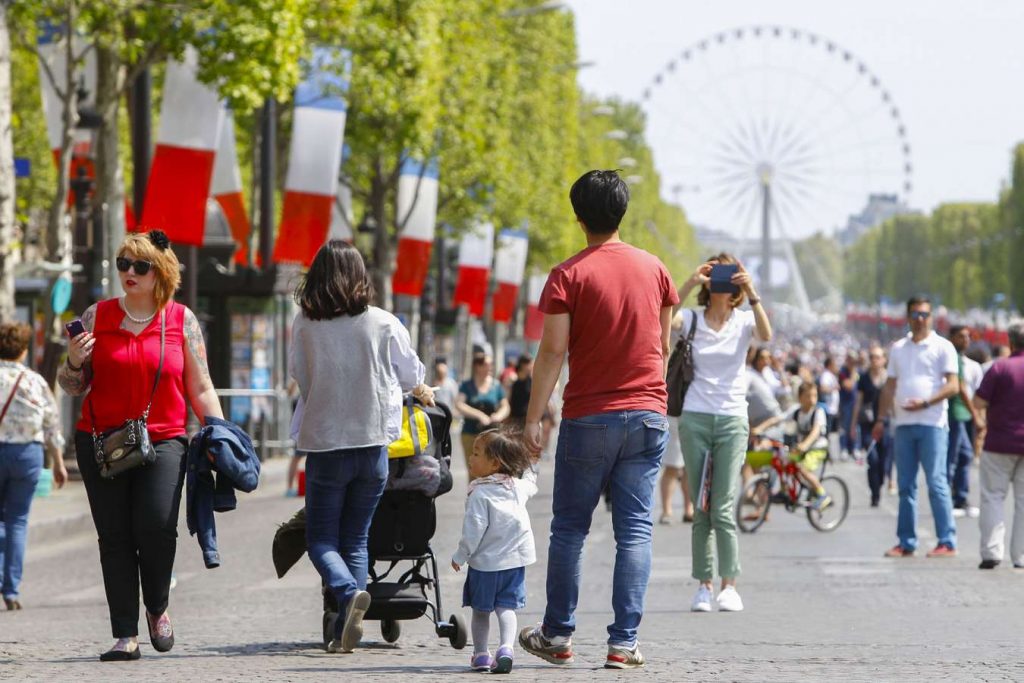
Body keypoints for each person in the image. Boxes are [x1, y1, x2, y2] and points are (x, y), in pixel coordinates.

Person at [518, 170, 678, 670]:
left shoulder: (568, 275)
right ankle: (623, 643)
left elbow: (552, 352)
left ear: (578, 216)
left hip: (589, 415)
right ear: (623, 211)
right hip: (648, 414)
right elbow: (664, 345)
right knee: (636, 530)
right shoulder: (656, 270)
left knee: (569, 528)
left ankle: (558, 634)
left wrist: (533, 419)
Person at [58, 230, 223, 661]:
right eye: (123, 264)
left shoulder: (180, 321)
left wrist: (219, 432)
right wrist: (75, 358)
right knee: (114, 537)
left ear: (160, 272)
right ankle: (124, 634)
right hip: (100, 440)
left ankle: (157, 606)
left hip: (164, 439)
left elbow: (200, 385)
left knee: (155, 528)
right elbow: (72, 384)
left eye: (139, 266)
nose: (129, 273)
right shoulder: (97, 316)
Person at [288, 240, 435, 654]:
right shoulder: (384, 323)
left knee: (320, 539)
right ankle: (345, 626)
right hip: (373, 445)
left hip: (325, 444)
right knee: (356, 538)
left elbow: (298, 373)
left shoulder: (305, 323)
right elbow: (412, 375)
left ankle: (346, 595)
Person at [674, 253, 771, 615]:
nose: (721, 280)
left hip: (732, 418)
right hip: (696, 416)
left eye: (727, 274)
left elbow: (767, 335)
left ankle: (730, 584)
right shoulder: (693, 319)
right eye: (716, 273)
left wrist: (752, 290)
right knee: (701, 507)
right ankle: (703, 584)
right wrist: (689, 281)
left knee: (724, 507)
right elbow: (663, 320)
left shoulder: (745, 320)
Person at [873, 296, 960, 558]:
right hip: (903, 424)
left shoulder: (943, 347)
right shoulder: (899, 348)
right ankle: (906, 541)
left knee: (936, 482)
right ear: (908, 317)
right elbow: (890, 386)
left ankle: (947, 540)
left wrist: (925, 402)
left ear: (931, 317)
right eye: (916, 315)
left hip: (932, 422)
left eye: (925, 315)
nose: (920, 320)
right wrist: (880, 418)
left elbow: (953, 386)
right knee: (905, 485)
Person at [451, 429, 538, 674]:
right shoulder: (516, 487)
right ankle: (506, 649)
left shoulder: (480, 493)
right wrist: (532, 462)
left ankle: (480, 655)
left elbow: (473, 531)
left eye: (477, 453)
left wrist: (461, 556)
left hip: (485, 566)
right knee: (506, 608)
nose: (470, 457)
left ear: (494, 463)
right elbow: (532, 483)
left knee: (481, 611)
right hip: (514, 564)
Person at [0, 322, 67, 610]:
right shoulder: (35, 381)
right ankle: (11, 590)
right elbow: (51, 424)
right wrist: (59, 463)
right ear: (24, 350)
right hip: (28, 454)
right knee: (17, 521)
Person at [973, 323, 1024, 569]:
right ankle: (1021, 555)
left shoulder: (999, 367)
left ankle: (992, 552)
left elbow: (979, 401)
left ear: (1010, 343)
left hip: (999, 442)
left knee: (993, 496)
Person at [947, 325, 983, 518]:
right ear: (952, 337)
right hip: (954, 413)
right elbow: (960, 388)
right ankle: (951, 498)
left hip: (962, 414)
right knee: (953, 457)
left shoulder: (963, 360)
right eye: (961, 336)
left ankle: (959, 498)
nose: (966, 340)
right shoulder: (951, 356)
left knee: (964, 455)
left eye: (968, 336)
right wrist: (975, 414)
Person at [456, 354, 510, 479]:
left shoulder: (496, 386)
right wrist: (479, 415)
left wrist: (498, 416)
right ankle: (474, 497)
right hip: (471, 433)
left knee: (493, 470)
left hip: (491, 435)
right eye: (486, 364)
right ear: (477, 366)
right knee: (474, 471)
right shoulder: (467, 385)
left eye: (491, 364)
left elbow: (505, 406)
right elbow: (459, 404)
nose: (490, 367)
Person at [852, 346, 893, 506]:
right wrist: (852, 425)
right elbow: (858, 401)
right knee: (873, 459)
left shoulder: (889, 377)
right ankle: (874, 493)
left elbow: (893, 399)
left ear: (884, 359)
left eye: (877, 357)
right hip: (867, 424)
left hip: (886, 423)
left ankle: (880, 483)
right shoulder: (863, 377)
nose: (874, 360)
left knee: (884, 460)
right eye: (872, 357)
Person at [838, 352, 861, 460]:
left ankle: (855, 447)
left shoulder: (858, 371)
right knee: (845, 426)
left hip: (856, 403)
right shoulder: (842, 372)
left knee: (856, 427)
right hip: (846, 403)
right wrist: (852, 372)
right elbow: (849, 386)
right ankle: (844, 448)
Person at [818, 356, 841, 457]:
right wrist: (833, 388)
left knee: (830, 432)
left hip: (832, 409)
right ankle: (825, 453)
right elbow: (823, 388)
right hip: (827, 408)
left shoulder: (831, 375)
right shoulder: (826, 375)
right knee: (826, 432)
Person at [506, 354, 534, 430]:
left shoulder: (532, 381)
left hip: (527, 418)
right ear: (523, 365)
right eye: (530, 364)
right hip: (514, 417)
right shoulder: (513, 380)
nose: (531, 366)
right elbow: (508, 398)